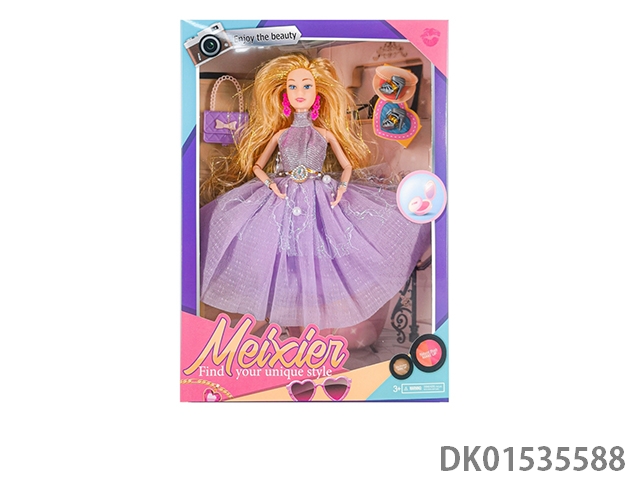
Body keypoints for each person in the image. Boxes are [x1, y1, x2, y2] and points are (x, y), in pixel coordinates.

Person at [199, 53, 430, 331]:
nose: (300, 91)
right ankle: (269, 325)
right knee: (275, 258)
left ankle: (307, 332)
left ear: (318, 92)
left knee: (319, 259)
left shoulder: (324, 134)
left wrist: (342, 188)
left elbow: (346, 166)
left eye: (307, 85)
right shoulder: (280, 135)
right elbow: (258, 166)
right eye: (293, 86)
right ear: (284, 94)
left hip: (320, 196)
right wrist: (271, 184)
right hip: (281, 196)